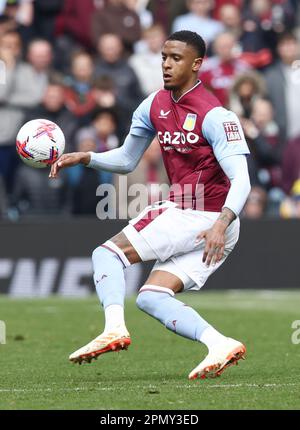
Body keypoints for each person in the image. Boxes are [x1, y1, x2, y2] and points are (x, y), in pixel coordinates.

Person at [50, 31, 251, 380]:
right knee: (152, 296)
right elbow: (128, 159)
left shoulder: (217, 115)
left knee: (106, 255)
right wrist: (87, 157)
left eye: (176, 58)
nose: (167, 64)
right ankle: (219, 343)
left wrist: (220, 223)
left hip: (203, 214)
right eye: (163, 57)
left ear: (197, 64)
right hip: (211, 223)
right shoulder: (154, 104)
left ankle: (114, 328)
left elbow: (243, 180)